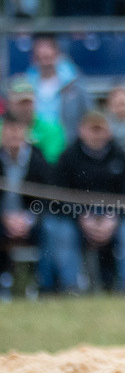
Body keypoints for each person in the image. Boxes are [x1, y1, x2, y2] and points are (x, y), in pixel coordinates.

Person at [45, 111, 125, 292]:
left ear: (109, 131)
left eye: (100, 129)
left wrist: (115, 217)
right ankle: (70, 288)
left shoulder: (121, 156)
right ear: (81, 130)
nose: (97, 134)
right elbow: (57, 197)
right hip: (75, 217)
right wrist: (80, 216)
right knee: (62, 232)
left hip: (115, 216)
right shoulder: (68, 157)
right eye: (92, 129)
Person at [0, 113, 50, 297]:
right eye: (9, 130)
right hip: (3, 220)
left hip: (32, 220)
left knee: (51, 229)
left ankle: (44, 285)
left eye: (17, 130)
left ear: (25, 133)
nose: (13, 135)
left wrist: (29, 218)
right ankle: (4, 281)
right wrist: (5, 218)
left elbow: (48, 199)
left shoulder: (38, 159)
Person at [19, 35, 92, 143]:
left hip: (69, 146)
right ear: (34, 57)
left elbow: (88, 115)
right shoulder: (24, 86)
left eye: (48, 50)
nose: (44, 54)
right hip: (35, 146)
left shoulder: (75, 85)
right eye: (40, 54)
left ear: (58, 54)